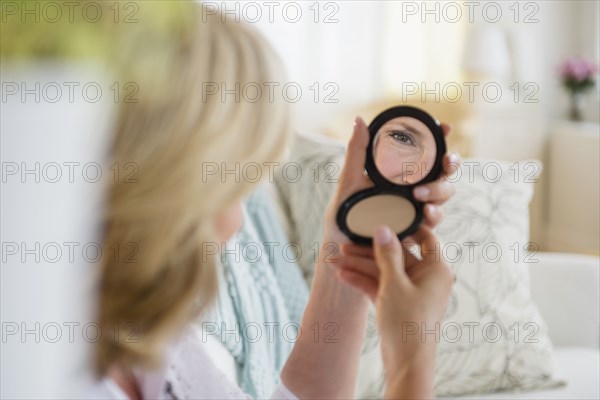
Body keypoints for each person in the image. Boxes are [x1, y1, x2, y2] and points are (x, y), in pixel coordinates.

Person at [91, 2, 457, 398]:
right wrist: (412, 358)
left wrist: (349, 248)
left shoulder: (149, 341)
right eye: (236, 187)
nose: (237, 223)